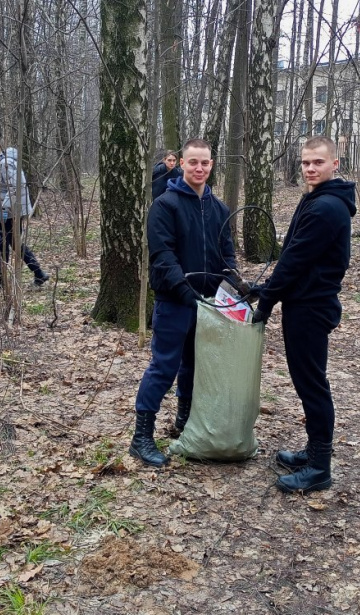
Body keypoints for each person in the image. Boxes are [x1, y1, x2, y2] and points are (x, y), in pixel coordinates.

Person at [252, 136, 356, 494]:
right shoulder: (316, 199)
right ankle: (312, 452)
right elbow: (293, 256)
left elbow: (295, 261)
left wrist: (265, 304)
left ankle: (319, 467)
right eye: (305, 163)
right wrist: (264, 289)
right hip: (303, 302)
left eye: (318, 162)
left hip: (311, 307)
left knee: (312, 386)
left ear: (334, 164)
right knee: (307, 382)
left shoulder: (326, 208)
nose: (310, 168)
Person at [130, 138, 237, 467]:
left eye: (205, 163)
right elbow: (163, 256)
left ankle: (185, 421)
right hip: (175, 302)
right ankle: (142, 437)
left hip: (208, 305)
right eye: (193, 162)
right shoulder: (165, 205)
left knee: (195, 366)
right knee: (164, 366)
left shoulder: (218, 209)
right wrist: (185, 293)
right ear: (182, 164)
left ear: (212, 164)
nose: (199, 168)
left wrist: (231, 284)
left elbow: (227, 253)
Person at [0, 137, 49, 289]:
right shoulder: (0, 162)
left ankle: (1, 281)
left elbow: (16, 188)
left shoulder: (5, 163)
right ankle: (39, 274)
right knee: (14, 243)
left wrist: (4, 210)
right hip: (9, 210)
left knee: (0, 245)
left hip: (9, 211)